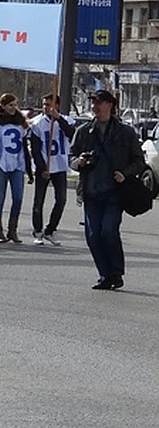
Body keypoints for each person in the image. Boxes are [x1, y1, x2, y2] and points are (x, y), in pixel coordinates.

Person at [70, 90, 145, 290]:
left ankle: (116, 272)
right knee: (93, 235)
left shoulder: (125, 132)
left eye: (99, 102)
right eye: (93, 103)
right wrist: (79, 161)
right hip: (91, 191)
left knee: (109, 230)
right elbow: (71, 158)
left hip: (114, 192)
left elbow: (139, 161)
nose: (95, 106)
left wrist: (125, 173)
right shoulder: (84, 131)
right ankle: (105, 275)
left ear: (110, 105)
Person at [28, 93, 76, 246]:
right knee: (39, 201)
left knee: (61, 200)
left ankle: (51, 230)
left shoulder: (67, 120)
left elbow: (72, 134)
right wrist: (42, 168)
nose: (46, 107)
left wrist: (59, 118)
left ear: (56, 105)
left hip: (60, 165)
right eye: (44, 104)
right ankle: (38, 231)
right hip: (45, 167)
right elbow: (35, 149)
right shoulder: (37, 124)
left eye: (49, 104)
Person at [0, 93, 33, 244]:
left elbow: (25, 147)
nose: (13, 108)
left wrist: (29, 170)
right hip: (1, 163)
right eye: (10, 105)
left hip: (17, 164)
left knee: (18, 198)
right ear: (3, 106)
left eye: (15, 105)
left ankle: (12, 229)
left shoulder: (21, 123)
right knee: (0, 199)